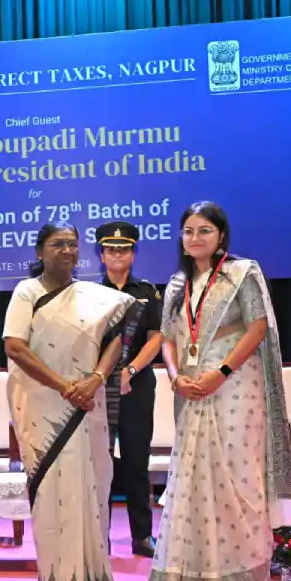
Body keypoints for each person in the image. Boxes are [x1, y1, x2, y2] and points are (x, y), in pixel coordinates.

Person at [148, 202, 291, 581]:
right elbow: (168, 338)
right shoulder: (178, 284)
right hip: (192, 387)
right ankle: (185, 576)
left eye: (204, 231)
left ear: (221, 236)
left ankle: (238, 574)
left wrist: (222, 373)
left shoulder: (242, 273)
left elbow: (258, 327)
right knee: (193, 474)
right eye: (189, 231)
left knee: (235, 472)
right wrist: (175, 377)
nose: (195, 238)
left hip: (235, 387)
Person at [3, 222, 144, 581]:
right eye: (56, 244)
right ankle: (58, 576)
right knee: (52, 485)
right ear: (39, 251)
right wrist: (64, 385)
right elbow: (16, 348)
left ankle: (94, 574)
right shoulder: (26, 292)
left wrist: (96, 378)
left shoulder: (94, 297)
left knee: (93, 480)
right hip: (44, 404)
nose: (66, 250)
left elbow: (115, 341)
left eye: (72, 244)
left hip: (88, 401)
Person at [95, 221, 163, 558]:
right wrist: (108, 374)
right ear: (102, 256)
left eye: (124, 249)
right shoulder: (90, 294)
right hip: (100, 388)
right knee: (100, 463)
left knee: (137, 461)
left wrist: (131, 370)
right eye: (110, 249)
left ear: (133, 254)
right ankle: (99, 537)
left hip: (138, 385)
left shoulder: (148, 291)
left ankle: (142, 535)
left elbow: (157, 338)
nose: (117, 254)